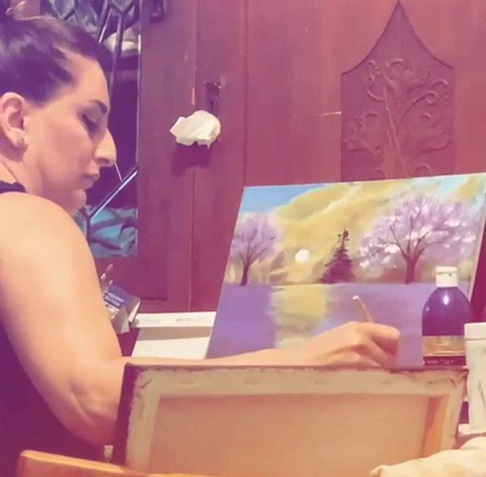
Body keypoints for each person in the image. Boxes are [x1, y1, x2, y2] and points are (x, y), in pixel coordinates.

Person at [0, 3, 400, 475]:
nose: (109, 151)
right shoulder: (26, 217)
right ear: (16, 120)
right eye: (89, 120)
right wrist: (305, 360)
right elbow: (97, 399)